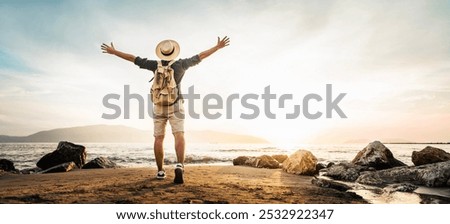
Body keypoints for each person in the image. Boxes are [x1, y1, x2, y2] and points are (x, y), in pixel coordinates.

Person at [101, 36, 230, 184]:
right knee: (179, 135)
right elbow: (201, 56)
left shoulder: (154, 65)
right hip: (176, 104)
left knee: (158, 138)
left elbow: (132, 58)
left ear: (161, 53)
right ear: (174, 52)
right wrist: (217, 47)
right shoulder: (182, 64)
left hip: (158, 106)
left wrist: (114, 51)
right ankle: (180, 165)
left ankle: (160, 171)